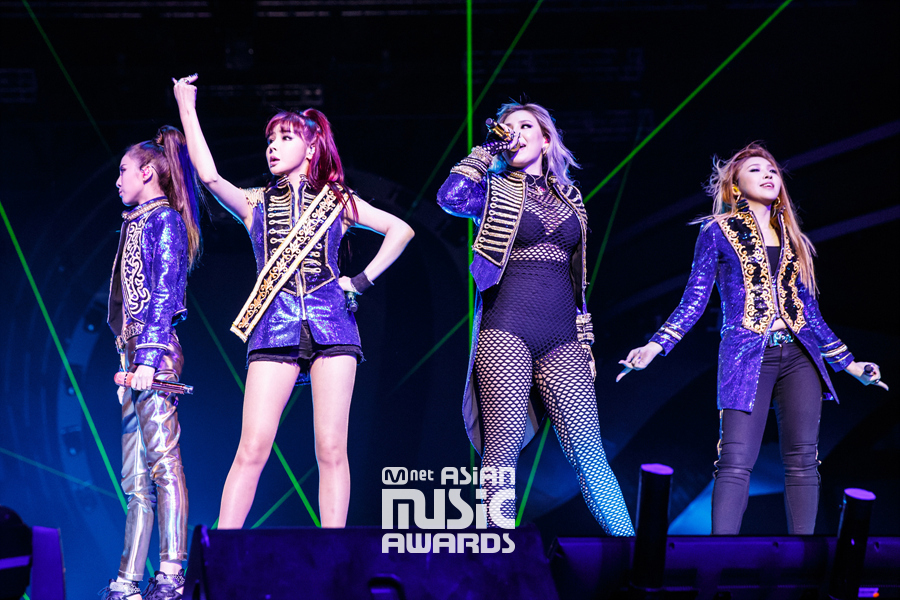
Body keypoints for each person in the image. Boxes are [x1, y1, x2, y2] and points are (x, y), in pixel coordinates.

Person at [173, 74, 414, 529]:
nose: (273, 147)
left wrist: (360, 281)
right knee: (252, 448)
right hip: (273, 326)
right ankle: (221, 550)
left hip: (333, 324)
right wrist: (187, 106)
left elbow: (401, 230)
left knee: (331, 448)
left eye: (285, 138)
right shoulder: (254, 203)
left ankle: (333, 551)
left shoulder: (337, 201)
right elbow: (209, 176)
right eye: (270, 140)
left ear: (311, 146)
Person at [617, 142, 888, 535]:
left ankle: (804, 557)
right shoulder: (717, 231)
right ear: (735, 186)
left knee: (804, 459)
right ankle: (719, 555)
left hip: (800, 354)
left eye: (773, 171)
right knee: (735, 459)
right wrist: (654, 346)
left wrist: (850, 364)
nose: (768, 175)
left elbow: (810, 313)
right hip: (745, 354)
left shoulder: (793, 238)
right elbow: (695, 298)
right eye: (756, 170)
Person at [436, 102, 634, 535]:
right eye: (507, 127)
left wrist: (585, 339)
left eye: (525, 126)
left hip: (562, 336)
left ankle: (635, 552)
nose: (515, 133)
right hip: (506, 329)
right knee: (501, 455)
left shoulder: (573, 199)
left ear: (546, 140)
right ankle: (498, 556)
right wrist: (488, 149)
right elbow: (449, 198)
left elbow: (578, 279)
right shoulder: (492, 190)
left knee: (589, 453)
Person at [100, 125, 204, 600]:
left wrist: (147, 357)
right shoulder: (137, 220)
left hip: (154, 353)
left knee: (163, 463)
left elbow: (164, 294)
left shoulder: (165, 221)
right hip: (133, 355)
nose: (117, 180)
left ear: (147, 172)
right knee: (135, 477)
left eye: (123, 170)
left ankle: (171, 571)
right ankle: (127, 580)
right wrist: (128, 358)